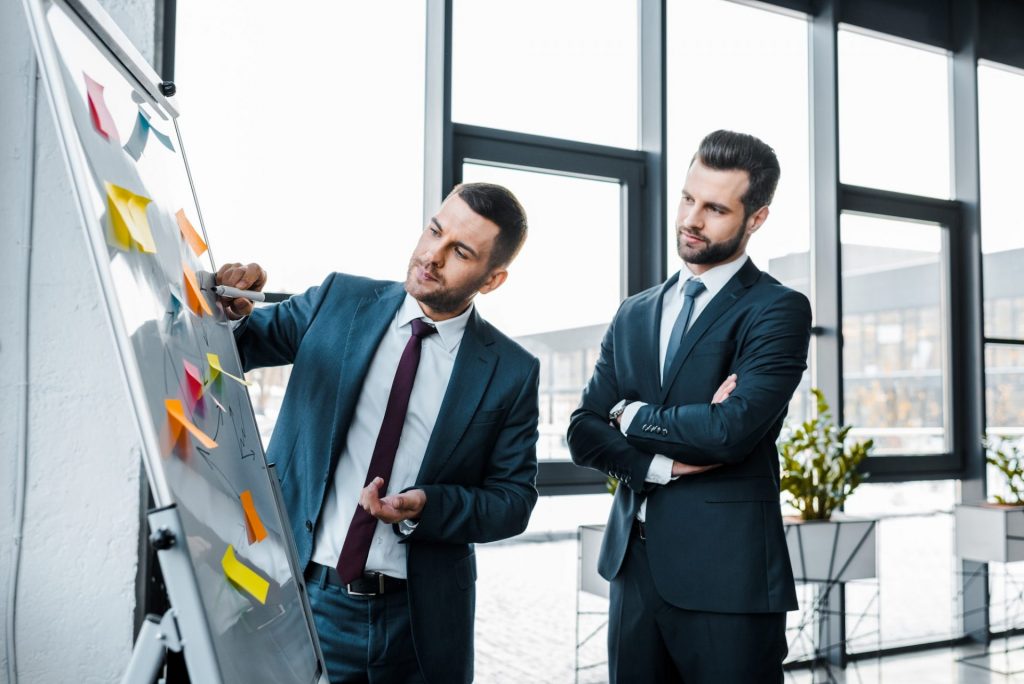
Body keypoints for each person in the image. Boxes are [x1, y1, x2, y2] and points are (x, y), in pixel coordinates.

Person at [216, 182, 539, 684]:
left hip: (419, 623)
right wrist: (228, 310)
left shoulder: (511, 371)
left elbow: (513, 500)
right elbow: (241, 346)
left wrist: (427, 508)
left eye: (460, 251)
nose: (432, 255)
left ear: (492, 279)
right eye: (435, 230)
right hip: (299, 596)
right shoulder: (339, 300)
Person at [567, 130, 811, 683]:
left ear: (756, 218)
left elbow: (731, 431)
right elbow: (583, 431)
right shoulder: (634, 312)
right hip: (633, 570)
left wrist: (628, 416)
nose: (692, 219)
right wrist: (662, 463)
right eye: (688, 199)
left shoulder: (777, 309)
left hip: (728, 579)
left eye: (716, 208)